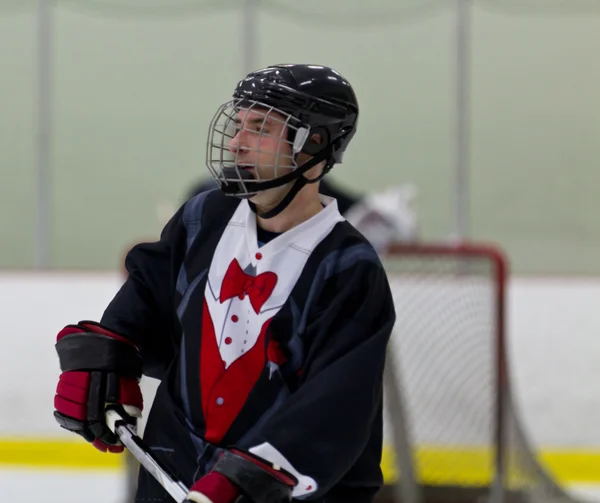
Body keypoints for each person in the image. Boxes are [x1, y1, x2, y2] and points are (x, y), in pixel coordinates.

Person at [53, 64, 396, 503]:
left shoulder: (348, 267)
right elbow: (148, 296)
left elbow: (336, 405)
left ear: (314, 142)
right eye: (239, 123)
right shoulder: (204, 217)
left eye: (260, 127)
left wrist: (247, 481)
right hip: (172, 471)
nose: (236, 142)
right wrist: (106, 357)